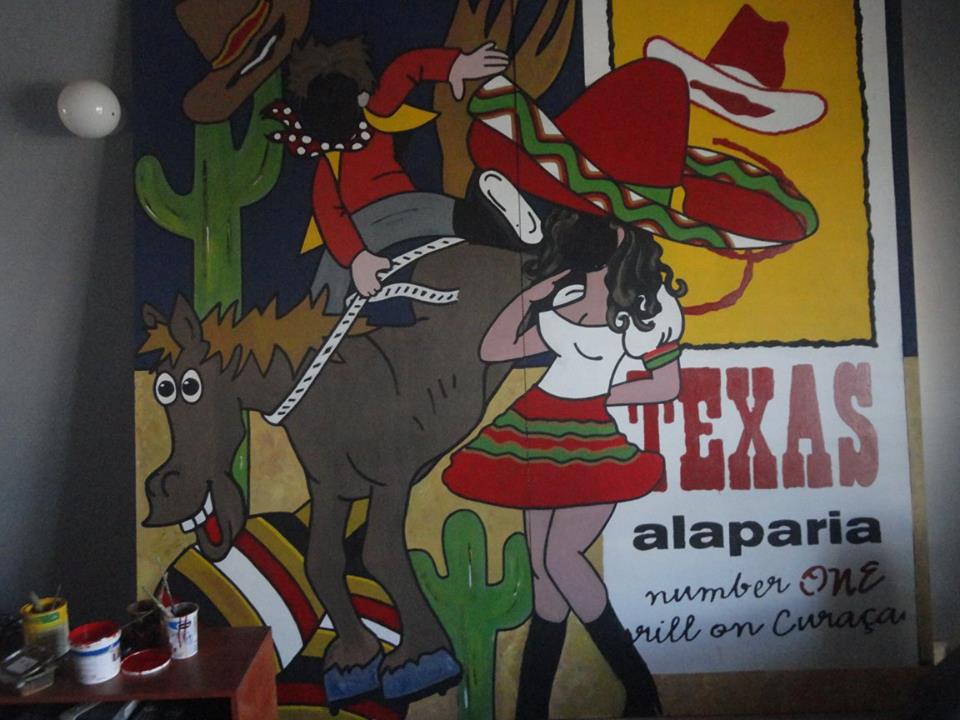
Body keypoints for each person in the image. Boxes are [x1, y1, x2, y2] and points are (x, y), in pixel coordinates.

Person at [443, 208, 683, 718]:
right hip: (533, 430)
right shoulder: (562, 302)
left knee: (560, 558)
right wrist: (530, 298)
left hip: (589, 435)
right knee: (545, 585)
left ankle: (641, 692)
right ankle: (532, 709)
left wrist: (601, 397)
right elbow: (495, 348)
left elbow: (666, 384)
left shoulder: (646, 307)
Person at [264, 36, 532, 315]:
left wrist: (455, 65)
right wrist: (358, 258)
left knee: (440, 214)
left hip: (404, 210)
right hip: (373, 223)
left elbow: (407, 68)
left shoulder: (373, 115)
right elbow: (329, 214)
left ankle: (510, 230)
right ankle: (325, 319)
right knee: (334, 270)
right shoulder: (331, 160)